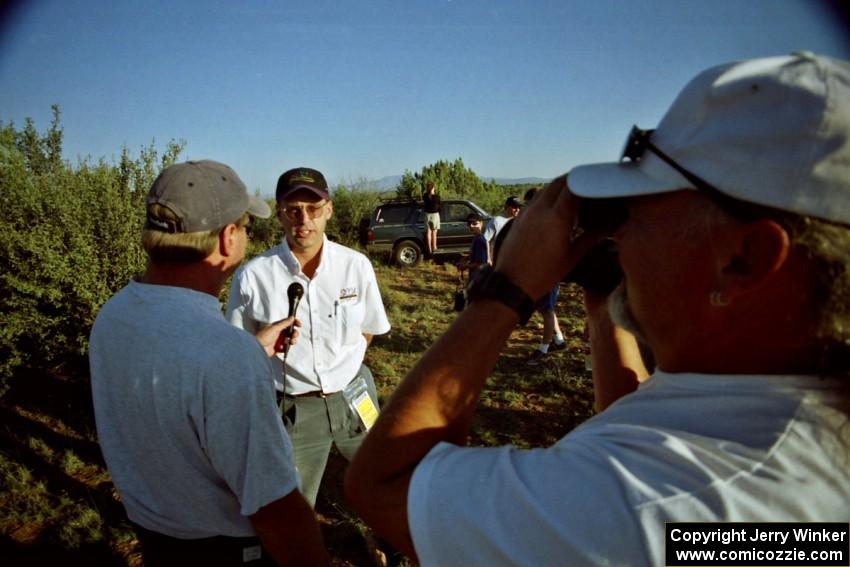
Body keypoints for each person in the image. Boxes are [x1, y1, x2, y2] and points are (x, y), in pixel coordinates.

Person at [346, 52, 850, 566]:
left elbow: (386, 486)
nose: (619, 236)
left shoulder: (644, 506)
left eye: (636, 212)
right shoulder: (782, 419)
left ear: (743, 259)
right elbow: (638, 422)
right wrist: (605, 299)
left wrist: (507, 287)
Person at [89, 160, 329, 566]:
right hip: (225, 549)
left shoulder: (113, 316)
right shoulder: (223, 353)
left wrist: (252, 349)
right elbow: (275, 510)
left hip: (156, 536)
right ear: (227, 238)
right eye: (246, 227)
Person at [226, 166, 391, 509]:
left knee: (382, 477)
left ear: (328, 210)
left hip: (354, 395)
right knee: (294, 503)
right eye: (293, 209)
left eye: (313, 208)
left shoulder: (355, 266)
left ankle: (387, 542)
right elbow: (239, 350)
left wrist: (343, 368)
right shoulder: (253, 276)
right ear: (280, 216)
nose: (305, 219)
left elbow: (368, 329)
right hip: (295, 408)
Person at [523, 187, 567, 365]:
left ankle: (543, 349)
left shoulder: (550, 220)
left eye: (529, 203)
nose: (528, 207)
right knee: (544, 308)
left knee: (547, 310)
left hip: (548, 272)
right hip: (539, 272)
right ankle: (559, 340)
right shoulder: (540, 219)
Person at [483, 195, 521, 263]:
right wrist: (488, 258)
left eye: (519, 207)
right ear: (507, 206)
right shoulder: (496, 221)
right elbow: (486, 240)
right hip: (498, 261)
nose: (517, 209)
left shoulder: (519, 221)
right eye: (515, 207)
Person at [456, 212, 488, 278]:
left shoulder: (480, 240)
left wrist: (465, 266)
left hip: (480, 278)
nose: (471, 226)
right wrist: (466, 258)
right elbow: (476, 256)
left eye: (474, 223)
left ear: (481, 223)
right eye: (469, 224)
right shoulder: (476, 238)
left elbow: (481, 264)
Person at [422, 182, 441, 256]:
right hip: (435, 215)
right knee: (434, 233)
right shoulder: (437, 197)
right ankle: (434, 247)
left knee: (428, 232)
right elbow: (439, 206)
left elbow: (425, 199)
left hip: (427, 215)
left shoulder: (425, 196)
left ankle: (429, 248)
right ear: (433, 188)